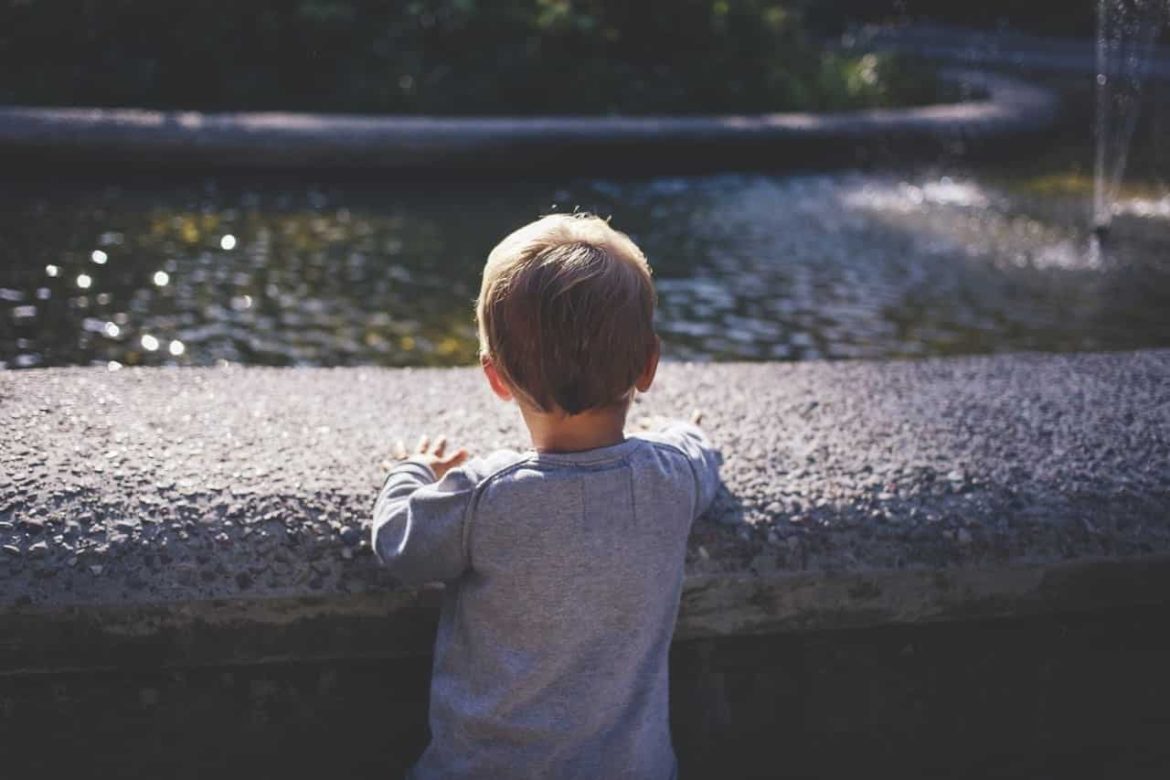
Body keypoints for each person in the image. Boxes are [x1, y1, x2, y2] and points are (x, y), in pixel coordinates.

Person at [372, 213, 721, 779]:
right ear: (649, 365)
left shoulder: (485, 495)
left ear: (496, 378)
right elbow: (699, 457)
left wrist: (411, 472)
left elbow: (400, 545)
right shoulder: (672, 476)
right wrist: (689, 433)